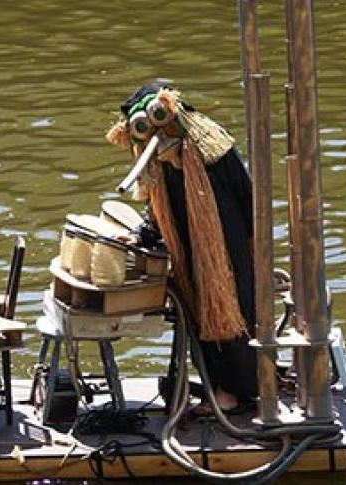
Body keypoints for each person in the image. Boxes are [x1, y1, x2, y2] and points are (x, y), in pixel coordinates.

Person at [103, 81, 259, 415]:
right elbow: (158, 212)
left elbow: (247, 197)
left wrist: (255, 244)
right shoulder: (157, 162)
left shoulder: (210, 147)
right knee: (198, 317)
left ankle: (237, 393)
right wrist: (143, 236)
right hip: (186, 252)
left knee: (233, 316)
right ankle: (216, 387)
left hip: (226, 248)